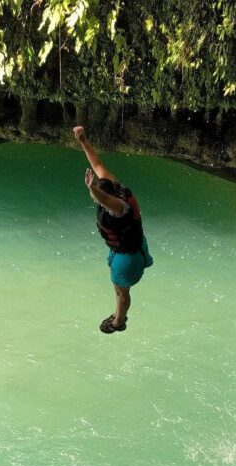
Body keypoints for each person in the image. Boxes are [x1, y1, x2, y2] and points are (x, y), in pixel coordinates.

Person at [73, 125, 153, 333]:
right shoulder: (116, 186)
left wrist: (91, 188)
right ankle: (119, 315)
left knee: (120, 293)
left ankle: (119, 321)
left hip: (129, 257)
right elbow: (98, 164)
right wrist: (83, 141)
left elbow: (106, 200)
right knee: (118, 289)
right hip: (129, 245)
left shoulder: (118, 207)